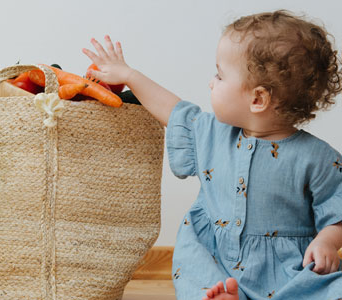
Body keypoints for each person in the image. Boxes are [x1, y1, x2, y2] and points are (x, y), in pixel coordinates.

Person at [82, 10, 342, 300]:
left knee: (329, 287)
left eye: (219, 74)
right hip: (214, 256)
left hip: (285, 268)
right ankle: (221, 295)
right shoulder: (212, 133)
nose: (211, 82)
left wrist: (327, 241)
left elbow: (337, 209)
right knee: (198, 273)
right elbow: (173, 110)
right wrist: (129, 75)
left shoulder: (318, 158)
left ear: (258, 99)